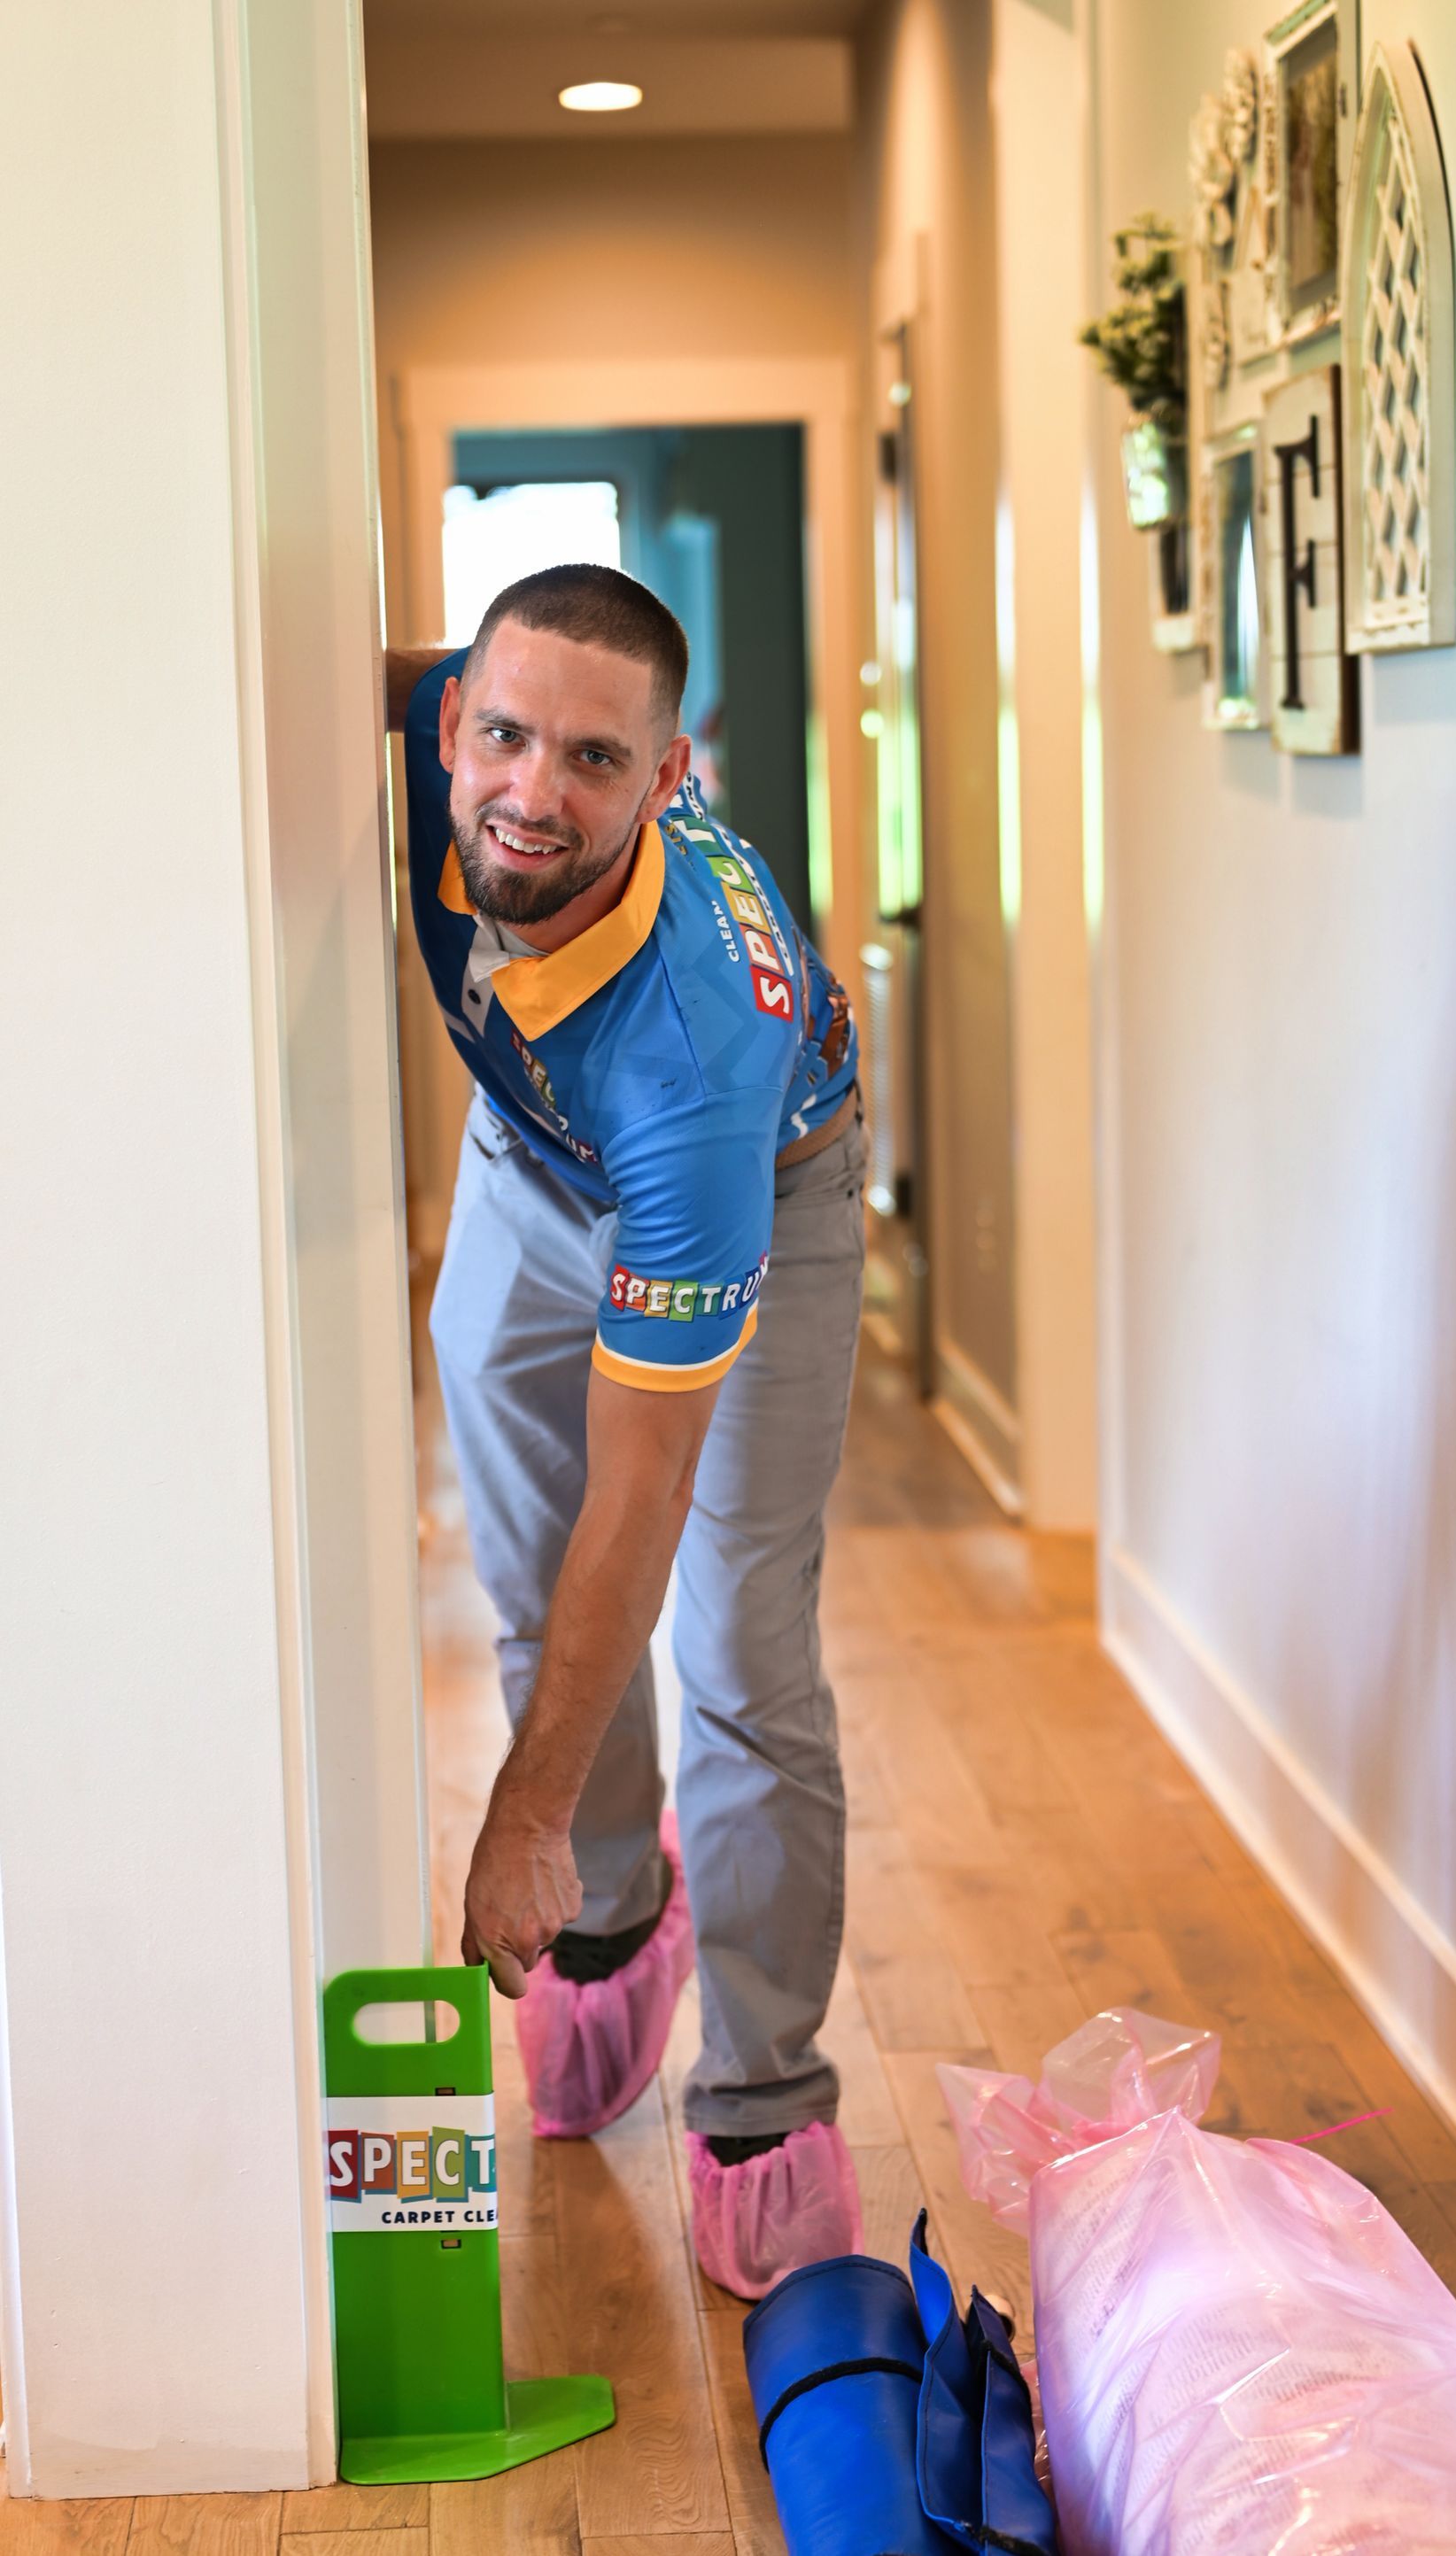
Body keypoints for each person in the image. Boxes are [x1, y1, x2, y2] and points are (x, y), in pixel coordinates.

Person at [390, 564, 864, 2299]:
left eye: (594, 760)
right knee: (529, 1580)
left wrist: (513, 1806)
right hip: (528, 1165)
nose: (531, 789)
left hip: (758, 1192)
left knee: (741, 1644)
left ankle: (764, 2091)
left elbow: (642, 1490)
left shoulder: (695, 1068)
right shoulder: (453, 725)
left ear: (669, 779)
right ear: (454, 717)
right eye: (501, 735)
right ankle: (611, 1901)